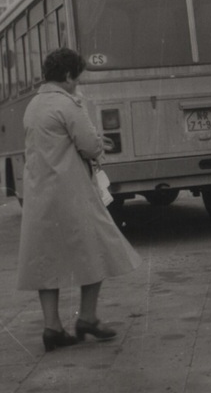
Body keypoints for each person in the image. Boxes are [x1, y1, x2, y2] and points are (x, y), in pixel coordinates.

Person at [17, 48, 141, 352]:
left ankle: (52, 328)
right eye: (77, 77)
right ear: (69, 76)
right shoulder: (68, 104)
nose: (77, 83)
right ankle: (86, 317)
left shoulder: (33, 105)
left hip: (38, 195)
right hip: (71, 193)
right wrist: (100, 142)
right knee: (98, 247)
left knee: (45, 259)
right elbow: (88, 145)